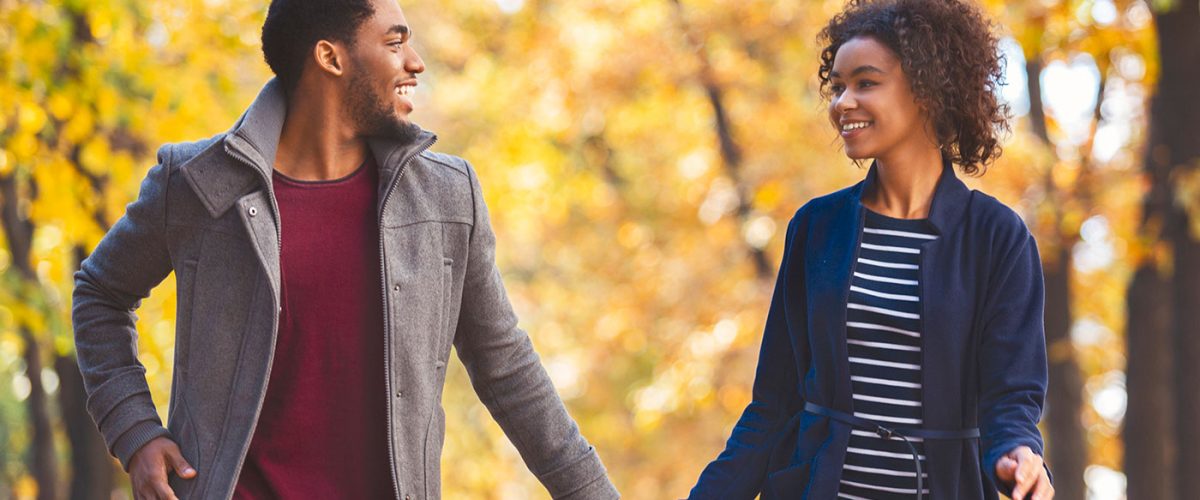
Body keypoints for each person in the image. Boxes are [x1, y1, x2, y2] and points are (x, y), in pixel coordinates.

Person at [71, 0, 618, 498]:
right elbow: (100, 292)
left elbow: (507, 368)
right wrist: (135, 432)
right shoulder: (199, 182)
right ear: (331, 58)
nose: (416, 62)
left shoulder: (447, 197)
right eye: (395, 42)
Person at [688, 1, 1053, 499]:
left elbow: (1012, 396)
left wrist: (1018, 453)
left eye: (865, 82)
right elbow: (773, 406)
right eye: (837, 86)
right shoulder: (817, 227)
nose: (842, 102)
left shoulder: (996, 237)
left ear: (927, 89)